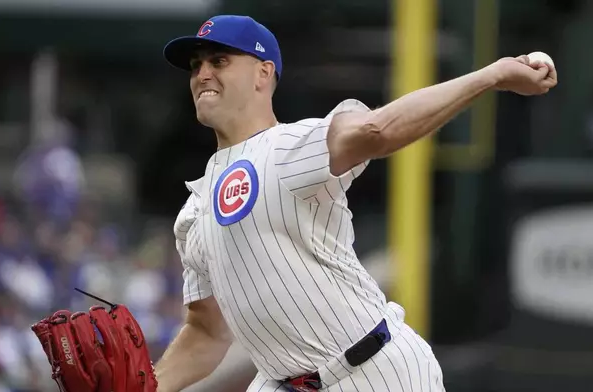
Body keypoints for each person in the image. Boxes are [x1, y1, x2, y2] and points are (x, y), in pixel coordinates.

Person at [154, 14, 557, 392]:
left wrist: (493, 75)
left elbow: (376, 130)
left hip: (371, 370)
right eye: (195, 64)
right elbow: (207, 332)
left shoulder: (291, 146)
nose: (202, 73)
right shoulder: (194, 210)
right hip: (284, 382)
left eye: (219, 60)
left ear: (264, 72)